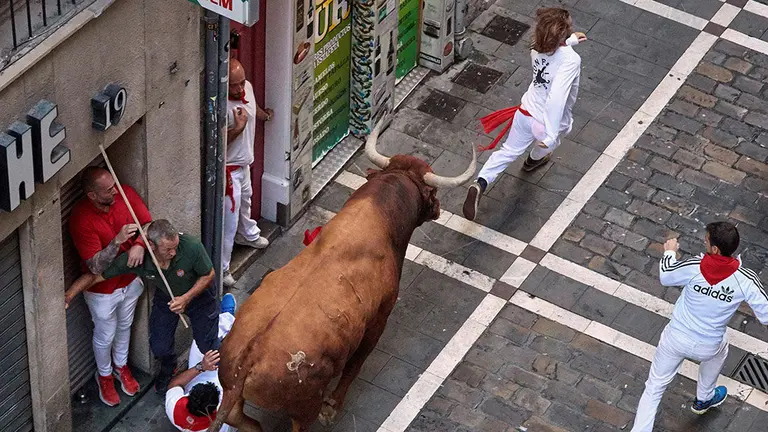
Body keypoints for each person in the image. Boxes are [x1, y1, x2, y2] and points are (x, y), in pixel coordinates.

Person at [631, 222, 768, 431]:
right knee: (721, 348)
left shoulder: (696, 266)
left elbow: (666, 275)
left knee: (654, 387)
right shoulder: (746, 280)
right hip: (709, 344)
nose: (703, 241)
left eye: (706, 240)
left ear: (715, 249)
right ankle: (705, 398)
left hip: (675, 338)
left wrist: (669, 252)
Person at [66, 219, 220, 395]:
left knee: (207, 345)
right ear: (152, 246)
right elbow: (97, 276)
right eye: (168, 249)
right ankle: (169, 367)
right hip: (167, 296)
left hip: (199, 297)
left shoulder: (192, 246)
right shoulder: (138, 259)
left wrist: (185, 298)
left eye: (175, 246)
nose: (173, 252)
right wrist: (70, 293)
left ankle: (220, 374)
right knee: (159, 345)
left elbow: (209, 275)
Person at [463, 7, 586, 221]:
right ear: (562, 33)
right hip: (545, 122)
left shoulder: (536, 48)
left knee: (508, 151)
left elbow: (553, 55)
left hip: (524, 111)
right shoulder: (571, 61)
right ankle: (533, 159)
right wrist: (550, 133)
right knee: (559, 135)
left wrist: (571, 41)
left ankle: (481, 182)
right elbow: (556, 97)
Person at [68, 166, 152, 406]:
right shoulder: (80, 218)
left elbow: (147, 223)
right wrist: (117, 241)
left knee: (125, 326)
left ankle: (121, 367)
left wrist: (139, 245)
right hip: (101, 291)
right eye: (108, 190)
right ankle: (104, 376)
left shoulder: (124, 193)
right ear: (92, 195)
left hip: (131, 280)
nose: (115, 191)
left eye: (114, 185)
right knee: (105, 335)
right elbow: (95, 265)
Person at [222, 58, 274, 287]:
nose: (240, 88)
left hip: (244, 166)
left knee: (246, 204)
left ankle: (248, 235)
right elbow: (215, 144)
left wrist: (263, 115)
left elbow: (252, 107)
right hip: (229, 171)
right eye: (235, 85)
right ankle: (222, 267)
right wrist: (238, 128)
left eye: (242, 82)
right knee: (228, 222)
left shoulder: (248, 88)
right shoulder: (221, 106)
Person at [165, 293, 237, 432]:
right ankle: (229, 318)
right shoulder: (222, 426)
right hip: (225, 386)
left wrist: (201, 367)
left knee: (201, 343)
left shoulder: (174, 407)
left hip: (201, 373)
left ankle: (223, 317)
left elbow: (174, 384)